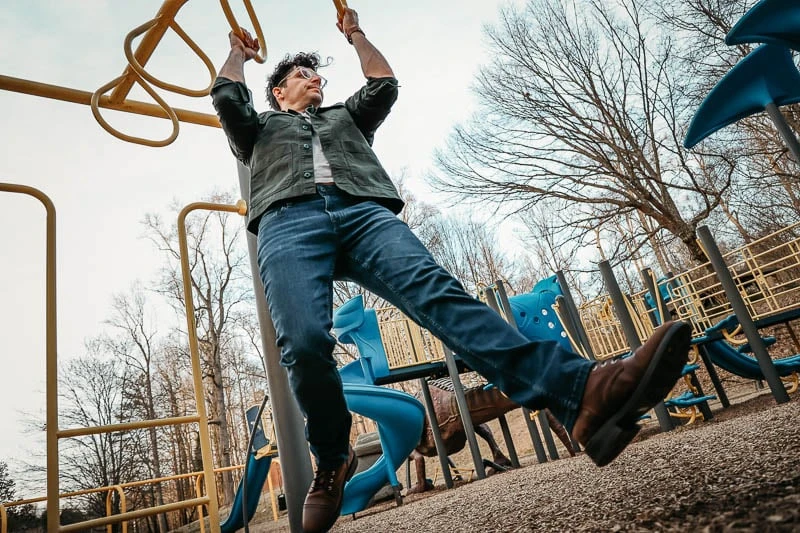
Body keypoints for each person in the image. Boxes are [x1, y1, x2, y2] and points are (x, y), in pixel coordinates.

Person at [211, 8, 691, 533]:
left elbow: (384, 84)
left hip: (363, 212)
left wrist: (355, 34)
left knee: (440, 295)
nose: (315, 80)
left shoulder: (344, 117)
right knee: (303, 340)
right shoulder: (261, 129)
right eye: (303, 75)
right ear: (278, 91)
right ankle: (332, 457)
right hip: (289, 219)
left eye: (318, 75)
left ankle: (579, 395)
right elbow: (228, 96)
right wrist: (238, 51)